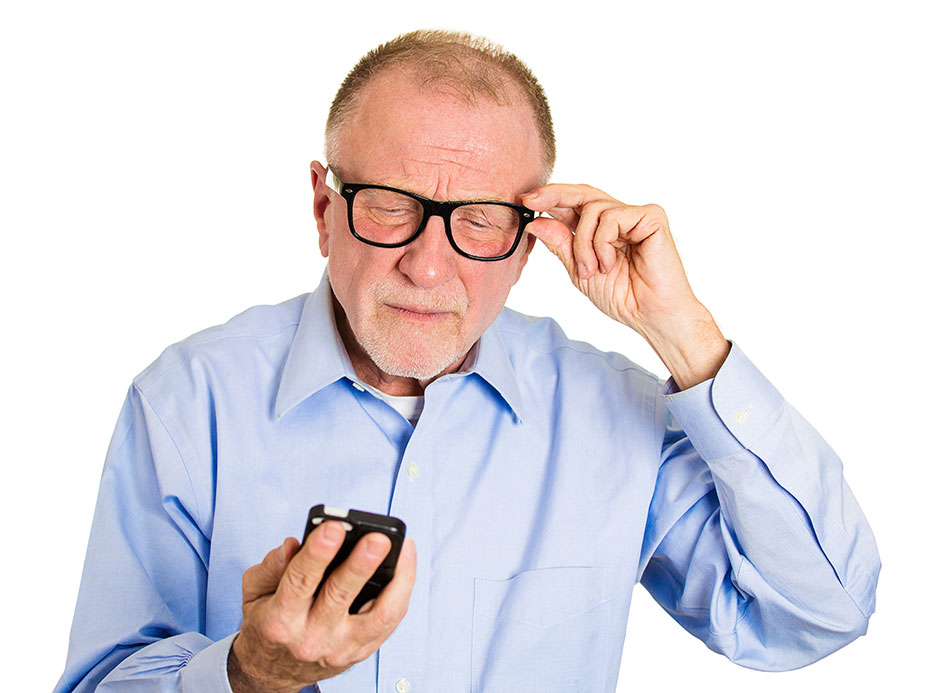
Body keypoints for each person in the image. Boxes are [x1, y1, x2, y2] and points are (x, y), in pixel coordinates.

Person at [56, 29, 881, 693]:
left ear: (528, 243)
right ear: (322, 206)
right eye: (389, 206)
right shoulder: (187, 401)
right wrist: (246, 676)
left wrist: (684, 332)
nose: (427, 265)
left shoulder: (614, 413)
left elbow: (820, 609)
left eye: (480, 221)